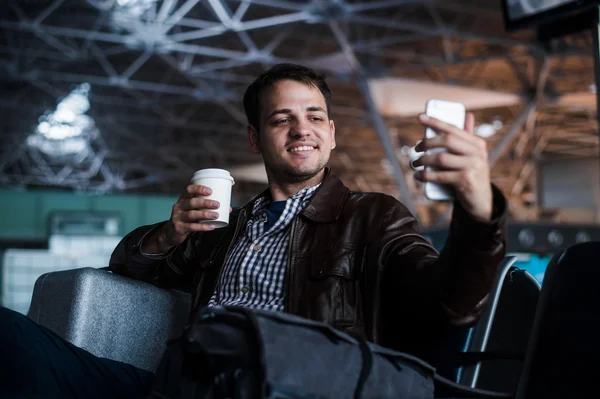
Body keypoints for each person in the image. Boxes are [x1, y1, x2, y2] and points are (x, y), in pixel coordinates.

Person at [0, 63, 506, 398]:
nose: (301, 129)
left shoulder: (372, 216)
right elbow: (126, 267)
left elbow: (449, 304)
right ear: (254, 138)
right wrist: (171, 232)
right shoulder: (220, 231)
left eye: (314, 117)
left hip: (284, 383)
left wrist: (478, 210)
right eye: (281, 119)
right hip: (179, 384)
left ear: (330, 133)